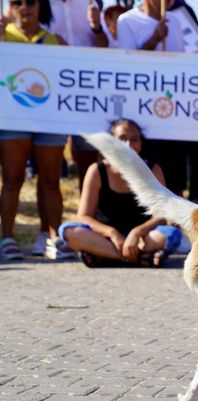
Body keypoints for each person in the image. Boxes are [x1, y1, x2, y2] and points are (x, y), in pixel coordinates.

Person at [0, 0, 76, 261]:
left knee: (51, 180)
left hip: (48, 119)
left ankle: (50, 236)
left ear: (40, 6)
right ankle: (7, 238)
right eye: (17, 2)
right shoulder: (3, 34)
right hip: (12, 118)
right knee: (12, 179)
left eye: (30, 1)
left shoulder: (55, 41)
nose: (24, 7)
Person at [116, 0, 198, 207]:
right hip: (142, 111)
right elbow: (126, 62)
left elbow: (179, 64)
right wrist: (154, 39)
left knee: (175, 176)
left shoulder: (175, 21)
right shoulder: (127, 21)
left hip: (170, 111)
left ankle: (175, 230)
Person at [59, 120, 182, 267]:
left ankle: (104, 256)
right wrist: (111, 233)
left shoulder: (153, 170)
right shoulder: (97, 170)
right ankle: (140, 259)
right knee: (68, 231)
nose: (128, 145)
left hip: (143, 238)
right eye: (122, 139)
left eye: (134, 139)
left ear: (141, 143)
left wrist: (137, 232)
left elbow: (161, 216)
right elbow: (84, 216)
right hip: (106, 238)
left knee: (172, 234)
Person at [46, 0, 109, 233]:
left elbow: (104, 45)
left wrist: (95, 26)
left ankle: (89, 222)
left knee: (88, 163)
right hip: (49, 90)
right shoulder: (41, 4)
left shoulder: (91, 3)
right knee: (49, 169)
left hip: (87, 92)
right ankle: (50, 231)